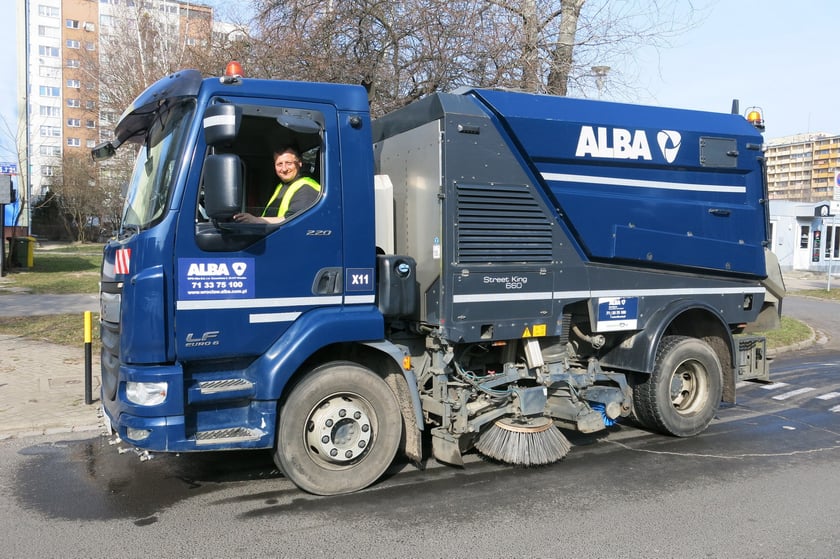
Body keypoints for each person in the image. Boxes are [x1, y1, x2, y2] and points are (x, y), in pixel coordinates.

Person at [233, 146, 320, 224]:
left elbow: (294, 220)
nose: (284, 169)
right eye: (279, 164)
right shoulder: (282, 185)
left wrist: (256, 220)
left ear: (299, 163)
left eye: (289, 163)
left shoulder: (306, 188)